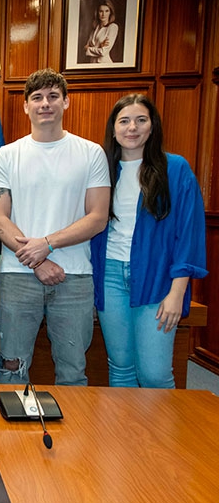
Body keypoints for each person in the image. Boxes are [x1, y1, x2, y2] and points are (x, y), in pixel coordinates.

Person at [0, 68, 110, 386]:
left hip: (74, 277)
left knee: (72, 369)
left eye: (53, 96)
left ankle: (73, 437)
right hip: (18, 276)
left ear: (66, 102)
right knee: (11, 366)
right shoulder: (6, 155)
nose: (45, 103)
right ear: (26, 105)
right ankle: (12, 438)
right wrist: (39, 258)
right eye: (37, 97)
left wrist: (48, 244)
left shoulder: (91, 153)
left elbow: (97, 217)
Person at [91, 95, 207, 388]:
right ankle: (126, 436)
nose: (132, 128)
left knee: (154, 374)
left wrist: (177, 292)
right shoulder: (102, 169)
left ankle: (159, 436)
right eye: (124, 121)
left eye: (141, 120)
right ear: (113, 128)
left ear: (152, 126)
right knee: (121, 367)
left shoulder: (176, 169)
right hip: (110, 278)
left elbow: (189, 234)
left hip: (158, 280)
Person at [84, 0, 119, 64]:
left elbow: (103, 52)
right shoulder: (95, 28)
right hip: (91, 64)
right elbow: (85, 47)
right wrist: (99, 46)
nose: (103, 14)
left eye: (106, 11)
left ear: (110, 12)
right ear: (97, 12)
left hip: (104, 64)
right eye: (101, 11)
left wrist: (88, 49)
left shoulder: (113, 27)